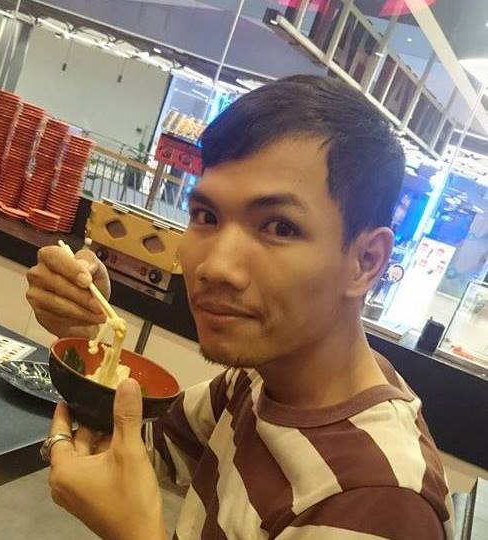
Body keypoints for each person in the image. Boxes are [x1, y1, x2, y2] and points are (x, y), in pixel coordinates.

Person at [27, 75, 453, 540]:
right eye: (206, 216)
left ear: (365, 261)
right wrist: (86, 338)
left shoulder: (380, 503)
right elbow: (127, 445)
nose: (216, 266)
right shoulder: (257, 380)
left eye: (279, 227)